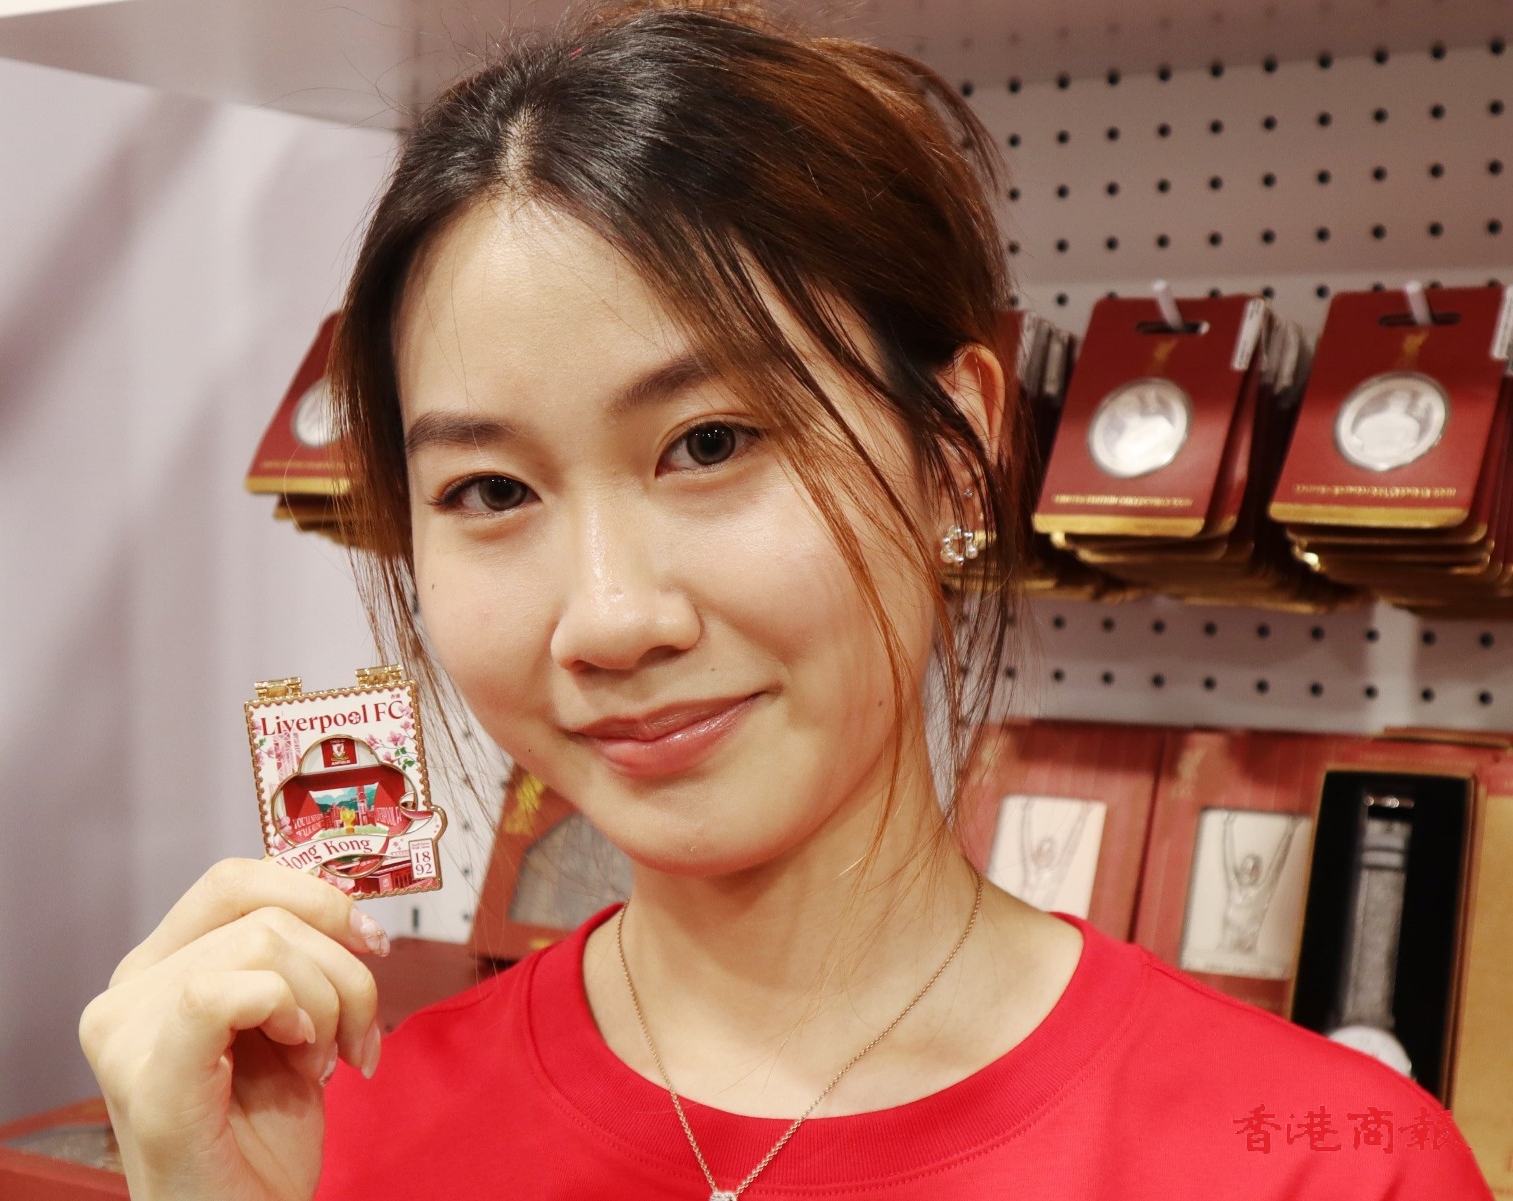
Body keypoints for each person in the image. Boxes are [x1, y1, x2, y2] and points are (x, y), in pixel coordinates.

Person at [78, 3, 1496, 1198]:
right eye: (490, 490)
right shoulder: (325, 1137)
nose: (609, 618)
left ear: (956, 453)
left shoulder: (1327, 1166)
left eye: (710, 444)